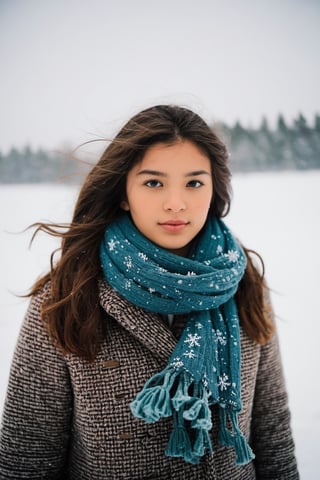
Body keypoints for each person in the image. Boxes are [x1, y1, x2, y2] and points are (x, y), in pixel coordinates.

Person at [0, 105, 299, 479]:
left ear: (214, 190)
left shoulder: (242, 282)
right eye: (153, 182)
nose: (176, 202)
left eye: (194, 183)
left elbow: (271, 433)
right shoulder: (68, 294)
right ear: (123, 192)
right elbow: (27, 453)